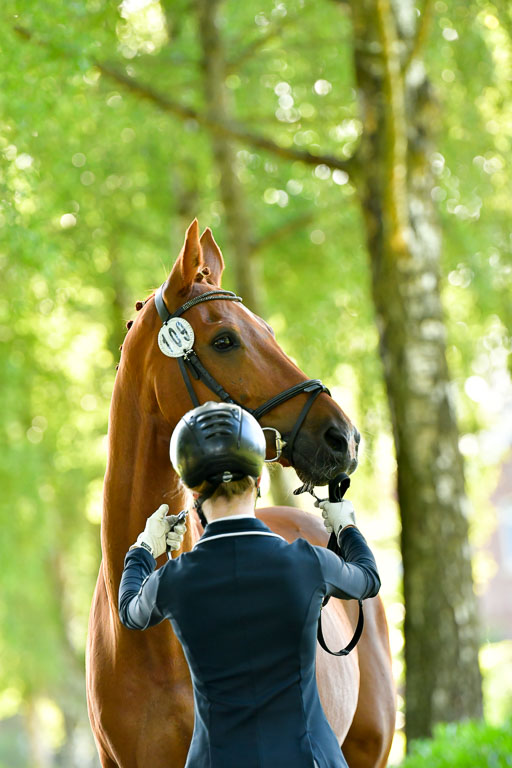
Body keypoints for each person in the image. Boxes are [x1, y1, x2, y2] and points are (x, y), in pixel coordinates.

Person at [118, 401, 380, 768]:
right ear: (259, 481)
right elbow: (367, 579)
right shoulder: (306, 562)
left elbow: (130, 612)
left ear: (193, 494)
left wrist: (145, 547)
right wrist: (346, 526)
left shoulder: (174, 581)